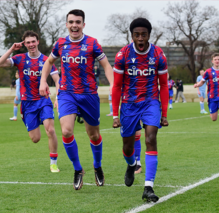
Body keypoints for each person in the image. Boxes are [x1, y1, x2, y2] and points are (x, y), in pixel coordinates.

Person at [39, 9, 114, 190]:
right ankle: (78, 169)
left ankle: (97, 166)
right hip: (66, 93)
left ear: (83, 25)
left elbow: (106, 65)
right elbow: (49, 62)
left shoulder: (92, 43)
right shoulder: (60, 43)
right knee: (66, 131)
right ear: (67, 24)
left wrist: (113, 86)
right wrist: (43, 81)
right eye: (71, 22)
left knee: (94, 135)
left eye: (78, 22)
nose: (74, 25)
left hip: (89, 95)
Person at [112, 17, 169, 202]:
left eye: (144, 34)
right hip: (129, 104)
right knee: (127, 147)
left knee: (151, 138)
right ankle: (131, 164)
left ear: (149, 35)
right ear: (132, 36)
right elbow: (117, 87)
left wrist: (165, 114)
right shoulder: (123, 55)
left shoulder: (158, 55)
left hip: (151, 102)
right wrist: (115, 114)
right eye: (137, 35)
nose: (141, 38)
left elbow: (164, 85)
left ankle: (148, 187)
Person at [0, 30, 61, 173]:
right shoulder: (19, 58)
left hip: (43, 100)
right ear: (24, 44)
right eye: (28, 42)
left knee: (50, 130)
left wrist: (58, 98)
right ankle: (30, 119)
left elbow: (57, 80)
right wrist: (12, 49)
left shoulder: (46, 60)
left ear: (38, 42)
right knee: (35, 138)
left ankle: (53, 163)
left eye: (33, 41)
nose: (31, 44)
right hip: (27, 103)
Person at [194, 53, 219, 140]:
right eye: (215, 59)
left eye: (218, 59)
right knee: (214, 118)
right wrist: (197, 85)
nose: (217, 61)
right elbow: (202, 82)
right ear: (212, 61)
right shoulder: (208, 72)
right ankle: (212, 112)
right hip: (212, 98)